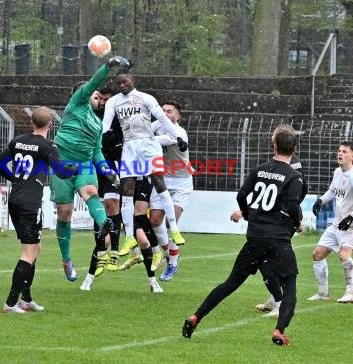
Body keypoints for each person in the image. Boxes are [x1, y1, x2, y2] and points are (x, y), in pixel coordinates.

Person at [182, 124, 304, 346]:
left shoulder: (259, 170)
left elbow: (241, 195)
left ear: (274, 145)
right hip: (277, 238)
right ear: (294, 148)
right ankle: (279, 331)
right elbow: (294, 205)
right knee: (291, 286)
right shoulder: (294, 176)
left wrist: (248, 213)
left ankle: (196, 316)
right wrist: (297, 224)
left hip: (254, 237)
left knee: (230, 283)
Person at [50, 56, 129, 282]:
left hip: (84, 165)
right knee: (64, 214)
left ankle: (105, 223)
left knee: (91, 194)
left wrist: (108, 171)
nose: (99, 98)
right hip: (62, 163)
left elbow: (96, 153)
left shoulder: (97, 123)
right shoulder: (76, 104)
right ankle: (66, 259)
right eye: (95, 95)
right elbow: (93, 84)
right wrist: (107, 67)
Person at [0, 107, 77, 313]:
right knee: (28, 252)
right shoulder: (48, 146)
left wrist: (14, 179)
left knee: (35, 249)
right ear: (50, 125)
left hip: (15, 199)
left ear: (32, 122)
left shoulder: (18, 140)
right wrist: (78, 167)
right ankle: (10, 303)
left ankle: (26, 298)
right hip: (30, 204)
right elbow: (61, 171)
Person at [102, 67, 188, 265]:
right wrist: (102, 138)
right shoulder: (114, 102)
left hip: (149, 145)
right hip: (130, 147)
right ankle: (130, 236)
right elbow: (106, 125)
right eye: (119, 83)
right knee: (127, 188)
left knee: (158, 182)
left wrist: (177, 137)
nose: (122, 85)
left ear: (133, 80)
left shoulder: (145, 98)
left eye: (125, 81)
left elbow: (163, 118)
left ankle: (174, 229)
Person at [234, 152, 309, 317]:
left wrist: (282, 211)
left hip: (283, 219)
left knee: (265, 259)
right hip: (276, 219)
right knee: (267, 259)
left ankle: (279, 302)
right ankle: (275, 300)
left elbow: (301, 191)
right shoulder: (275, 163)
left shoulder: (292, 163)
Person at [310, 142, 353, 303]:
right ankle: (323, 293)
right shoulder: (338, 172)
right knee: (317, 254)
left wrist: (351, 217)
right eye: (339, 150)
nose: (340, 153)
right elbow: (332, 190)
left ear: (352, 156)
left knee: (344, 255)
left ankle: (350, 293)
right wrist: (321, 200)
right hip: (337, 224)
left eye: (344, 151)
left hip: (350, 226)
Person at [80, 84, 123, 291]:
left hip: (114, 166)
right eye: (100, 99)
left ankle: (114, 251)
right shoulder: (90, 114)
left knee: (113, 205)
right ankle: (101, 252)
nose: (103, 103)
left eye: (107, 99)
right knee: (98, 210)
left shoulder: (120, 115)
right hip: (91, 166)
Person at [148, 101, 193, 282]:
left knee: (169, 223)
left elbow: (165, 139)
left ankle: (172, 260)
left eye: (170, 111)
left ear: (177, 116)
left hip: (182, 183)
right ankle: (170, 253)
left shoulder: (180, 132)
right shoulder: (156, 125)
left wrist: (143, 139)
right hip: (162, 180)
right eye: (163, 110)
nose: (165, 113)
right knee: (154, 220)